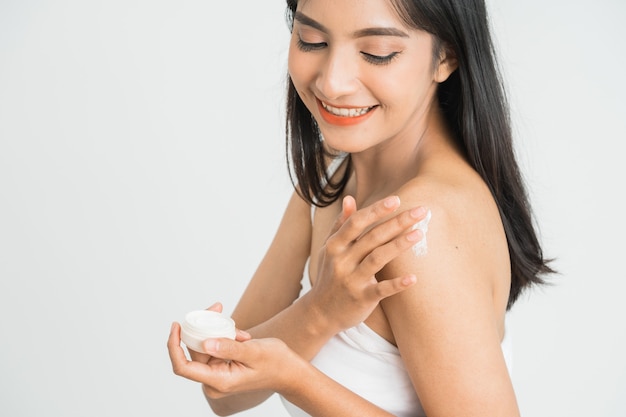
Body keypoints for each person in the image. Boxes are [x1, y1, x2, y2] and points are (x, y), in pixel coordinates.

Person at [167, 0, 553, 415]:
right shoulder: (332, 174)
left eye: (377, 53)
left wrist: (295, 378)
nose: (332, 83)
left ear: (447, 56)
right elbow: (226, 389)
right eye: (312, 40)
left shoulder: (418, 225)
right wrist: (319, 312)